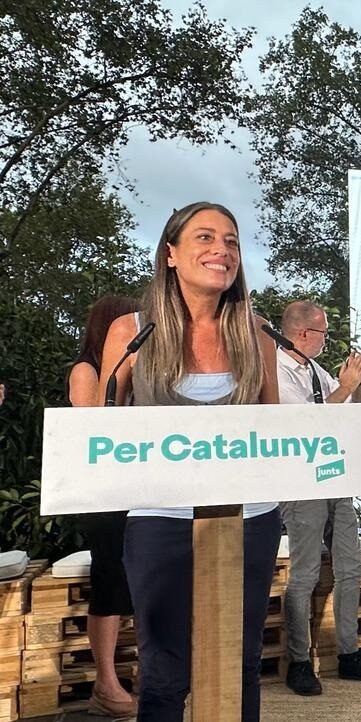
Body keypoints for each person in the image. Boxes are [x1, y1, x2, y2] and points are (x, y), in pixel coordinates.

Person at [95, 202, 280, 721]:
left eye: (232, 241)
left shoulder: (257, 331)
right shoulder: (130, 331)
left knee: (241, 662)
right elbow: (101, 431)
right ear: (171, 253)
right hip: (160, 518)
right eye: (205, 237)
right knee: (163, 671)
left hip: (249, 518)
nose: (222, 249)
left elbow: (276, 429)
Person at [274, 300, 361, 696]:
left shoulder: (315, 370)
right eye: (324, 334)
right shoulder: (277, 371)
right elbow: (309, 424)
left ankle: (349, 653)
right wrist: (345, 385)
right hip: (301, 483)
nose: (326, 341)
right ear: (304, 333)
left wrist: (358, 384)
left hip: (336, 478)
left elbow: (352, 414)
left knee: (350, 566)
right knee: (305, 573)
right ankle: (299, 661)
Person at [68, 295, 141, 718]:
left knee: (142, 578)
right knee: (110, 580)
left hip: (137, 489)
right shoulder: (87, 370)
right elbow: (93, 427)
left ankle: (150, 671)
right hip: (105, 493)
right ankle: (105, 683)